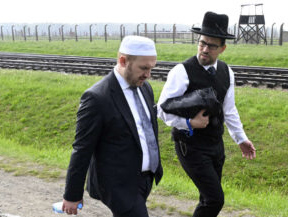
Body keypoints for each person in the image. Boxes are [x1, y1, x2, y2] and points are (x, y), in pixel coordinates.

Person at [157, 11, 256, 217]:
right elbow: (162, 109)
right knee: (214, 199)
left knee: (207, 199)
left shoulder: (226, 72)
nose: (204, 49)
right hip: (190, 146)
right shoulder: (181, 71)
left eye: (211, 46)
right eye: (202, 43)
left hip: (215, 146)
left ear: (223, 48)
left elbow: (229, 109)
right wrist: (189, 122)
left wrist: (241, 139)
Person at [62, 35, 163, 216]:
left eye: (151, 68)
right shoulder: (97, 98)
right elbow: (82, 148)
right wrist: (72, 194)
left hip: (144, 179)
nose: (148, 75)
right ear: (123, 61)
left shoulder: (145, 88)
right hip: (118, 185)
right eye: (144, 68)